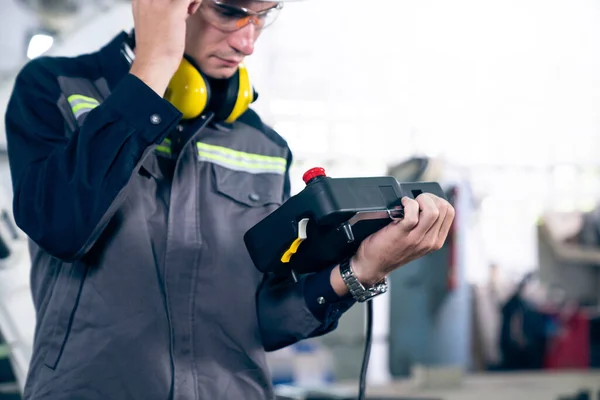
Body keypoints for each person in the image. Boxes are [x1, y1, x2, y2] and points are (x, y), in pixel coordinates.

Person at [3, 0, 455, 399]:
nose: (248, 42)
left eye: (264, 16)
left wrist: (360, 271)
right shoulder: (54, 90)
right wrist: (153, 68)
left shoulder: (262, 144)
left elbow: (263, 321)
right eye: (231, 11)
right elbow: (60, 225)